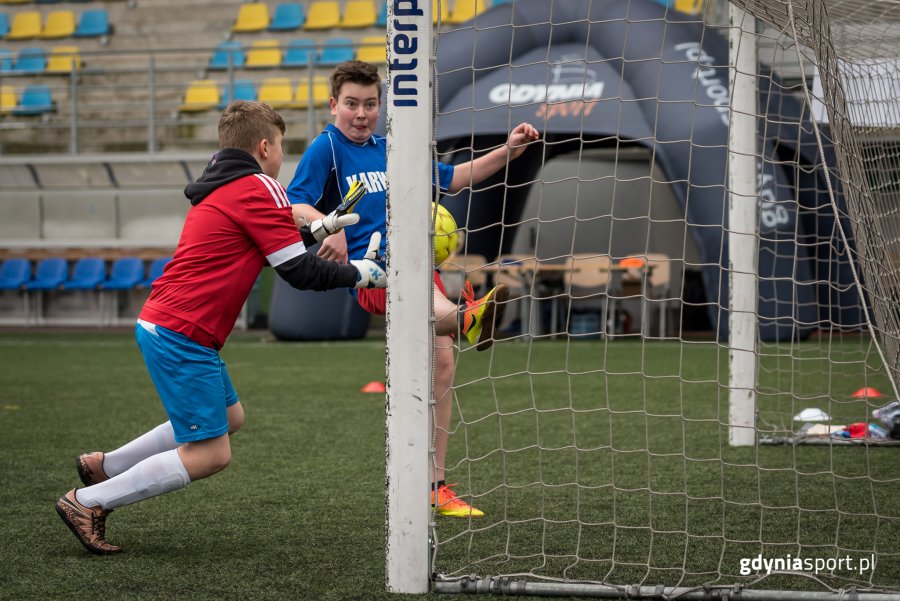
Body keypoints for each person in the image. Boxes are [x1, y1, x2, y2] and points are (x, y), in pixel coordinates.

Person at [55, 100, 386, 555]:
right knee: (211, 453)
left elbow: (265, 243)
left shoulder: (226, 182)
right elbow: (297, 272)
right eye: (282, 147)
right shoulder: (261, 185)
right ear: (265, 146)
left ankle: (104, 466)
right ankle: (87, 502)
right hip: (181, 331)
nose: (282, 157)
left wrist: (321, 227)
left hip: (173, 324)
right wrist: (361, 274)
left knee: (230, 419)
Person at [287, 60, 540, 519]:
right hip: (374, 269)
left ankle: (435, 485)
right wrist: (327, 227)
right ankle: (466, 317)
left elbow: (456, 177)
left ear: (381, 105)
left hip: (421, 263)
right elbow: (293, 203)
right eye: (351, 104)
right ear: (333, 105)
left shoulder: (392, 149)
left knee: (442, 365)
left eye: (370, 103)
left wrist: (509, 149)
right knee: (437, 332)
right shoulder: (326, 149)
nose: (361, 113)